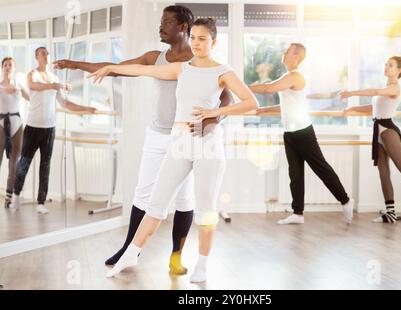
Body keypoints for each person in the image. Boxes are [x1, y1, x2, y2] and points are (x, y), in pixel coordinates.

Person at [54, 5, 233, 274]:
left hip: (186, 139)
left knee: (185, 200)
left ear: (184, 27)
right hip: (157, 135)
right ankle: (129, 249)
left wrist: (211, 122)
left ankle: (176, 256)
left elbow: (227, 97)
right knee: (143, 193)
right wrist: (73, 64)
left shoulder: (200, 60)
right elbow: (116, 69)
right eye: (161, 21)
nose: (161, 26)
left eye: (168, 22)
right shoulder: (155, 57)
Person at [89, 18, 258, 283]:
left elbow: (251, 103)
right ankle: (132, 253)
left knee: (205, 208)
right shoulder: (181, 69)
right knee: (156, 204)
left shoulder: (223, 72)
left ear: (214, 42)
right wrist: (111, 66)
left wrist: (216, 112)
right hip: (179, 143)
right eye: (193, 37)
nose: (196, 43)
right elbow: (142, 70)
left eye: (203, 38)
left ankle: (202, 263)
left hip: (208, 146)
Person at [251, 43, 354, 225]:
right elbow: (288, 104)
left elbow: (268, 88)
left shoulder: (295, 76)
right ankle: (297, 213)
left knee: (321, 169)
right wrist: (266, 110)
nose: (284, 52)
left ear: (296, 57)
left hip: (303, 132)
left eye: (288, 51)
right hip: (290, 133)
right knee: (295, 174)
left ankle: (345, 200)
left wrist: (242, 86)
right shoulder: (287, 77)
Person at [341, 56, 401, 224]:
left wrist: (351, 93)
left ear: (399, 70)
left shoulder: (394, 88)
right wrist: (353, 108)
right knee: (383, 174)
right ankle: (391, 212)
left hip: (388, 132)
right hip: (377, 132)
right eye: (386, 64)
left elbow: (375, 92)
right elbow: (375, 107)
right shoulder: (386, 88)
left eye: (391, 65)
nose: (386, 67)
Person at [9, 47, 96, 214]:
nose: (47, 55)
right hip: (33, 127)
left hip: (49, 129)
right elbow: (34, 86)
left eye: (48, 53)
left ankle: (41, 202)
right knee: (24, 162)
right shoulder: (32, 74)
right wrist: (57, 85)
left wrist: (87, 109)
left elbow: (66, 104)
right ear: (37, 57)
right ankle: (16, 195)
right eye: (43, 53)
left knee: (45, 165)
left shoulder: (55, 78)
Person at [0, 57, 29, 208]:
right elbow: (5, 90)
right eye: (5, 65)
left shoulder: (18, 86)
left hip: (17, 125)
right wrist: (7, 89)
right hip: (1, 124)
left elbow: (31, 98)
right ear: (2, 68)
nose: (7, 67)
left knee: (14, 163)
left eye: (10, 65)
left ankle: (8, 197)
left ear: (14, 68)